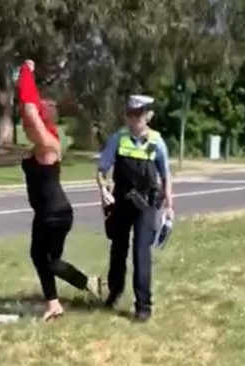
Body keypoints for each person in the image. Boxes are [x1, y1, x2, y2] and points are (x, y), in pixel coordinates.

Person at [16, 60, 102, 321]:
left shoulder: (48, 145)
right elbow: (31, 113)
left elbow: (30, 110)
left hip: (54, 213)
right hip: (49, 212)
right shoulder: (43, 145)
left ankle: (86, 284)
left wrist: (26, 72)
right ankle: (56, 303)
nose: (24, 127)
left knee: (48, 260)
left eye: (26, 125)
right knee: (42, 257)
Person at [96, 94, 174, 322]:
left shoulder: (156, 142)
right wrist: (103, 190)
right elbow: (101, 170)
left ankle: (143, 306)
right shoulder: (118, 139)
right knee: (118, 249)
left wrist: (170, 205)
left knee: (141, 252)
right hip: (121, 201)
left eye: (137, 115)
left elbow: (165, 175)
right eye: (129, 115)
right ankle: (115, 291)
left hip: (146, 204)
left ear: (148, 116)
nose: (133, 120)